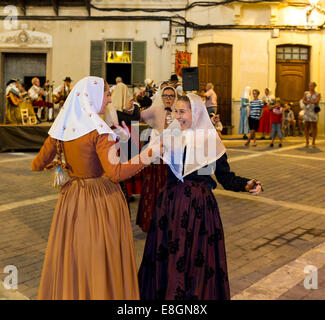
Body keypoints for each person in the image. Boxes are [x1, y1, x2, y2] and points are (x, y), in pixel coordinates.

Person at [32, 76, 162, 300]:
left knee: (74, 257)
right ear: (91, 96)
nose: (110, 99)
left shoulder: (63, 127)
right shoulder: (100, 131)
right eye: (107, 94)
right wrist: (149, 153)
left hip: (71, 200)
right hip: (99, 201)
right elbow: (115, 173)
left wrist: (67, 165)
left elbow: (37, 164)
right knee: (99, 258)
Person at [138, 93, 262, 300]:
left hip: (198, 211)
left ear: (195, 113)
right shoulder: (170, 135)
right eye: (176, 111)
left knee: (196, 260)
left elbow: (225, 177)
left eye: (182, 111)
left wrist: (247, 184)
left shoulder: (209, 139)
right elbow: (149, 158)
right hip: (170, 208)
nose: (177, 116)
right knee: (170, 257)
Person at [136, 86, 177, 233]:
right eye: (165, 95)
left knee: (169, 191)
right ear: (161, 97)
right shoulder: (155, 109)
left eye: (171, 96)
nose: (168, 98)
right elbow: (139, 115)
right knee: (153, 189)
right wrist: (129, 109)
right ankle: (151, 223)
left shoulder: (179, 112)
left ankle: (168, 224)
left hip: (172, 158)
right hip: (156, 157)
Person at [302, 82, 321, 147]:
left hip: (313, 111)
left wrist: (309, 102)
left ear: (314, 86)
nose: (310, 87)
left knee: (314, 126)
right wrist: (308, 102)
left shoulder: (318, 94)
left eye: (311, 86)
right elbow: (303, 100)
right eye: (309, 86)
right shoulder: (306, 93)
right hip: (307, 111)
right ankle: (307, 141)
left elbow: (317, 101)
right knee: (306, 126)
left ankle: (313, 142)